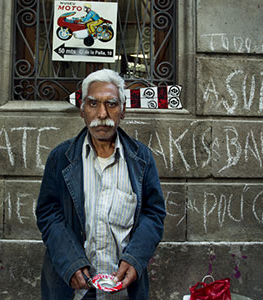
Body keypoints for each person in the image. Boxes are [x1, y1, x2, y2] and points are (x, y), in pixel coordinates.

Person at [36, 69, 166, 300]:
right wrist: (71, 262)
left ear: (123, 111)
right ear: (82, 110)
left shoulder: (141, 158)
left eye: (112, 104)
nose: (102, 114)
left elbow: (153, 214)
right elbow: (48, 213)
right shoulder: (61, 157)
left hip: (124, 289)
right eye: (93, 104)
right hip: (73, 287)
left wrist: (135, 259)